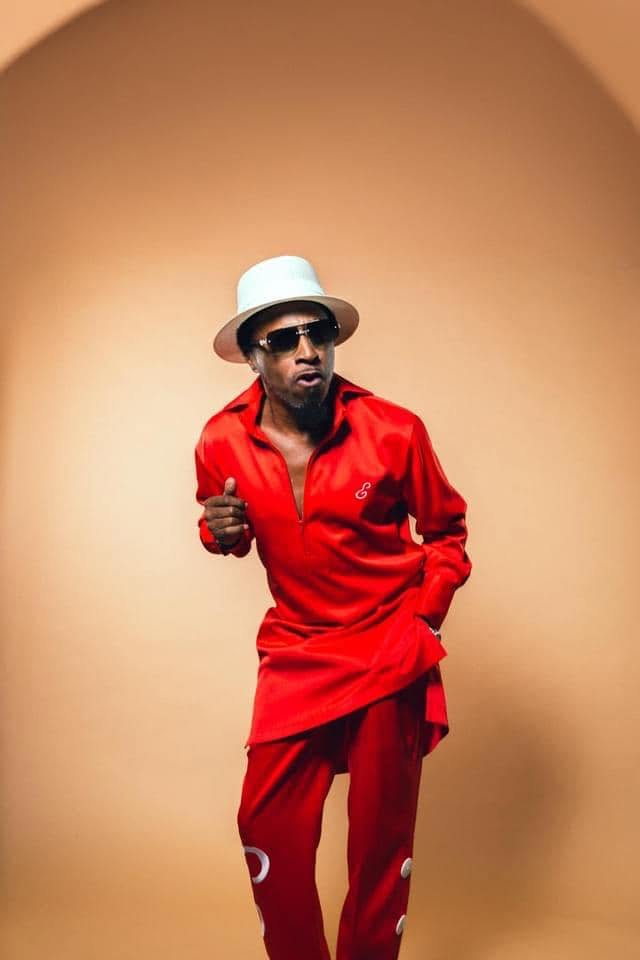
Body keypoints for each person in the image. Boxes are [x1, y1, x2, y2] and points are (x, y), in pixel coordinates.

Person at [194, 254, 472, 960]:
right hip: (297, 649)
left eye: (317, 333)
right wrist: (218, 531)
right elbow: (226, 530)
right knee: (267, 826)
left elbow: (447, 533)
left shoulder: (393, 430)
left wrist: (423, 616)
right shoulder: (220, 439)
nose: (307, 351)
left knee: (380, 841)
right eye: (283, 340)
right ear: (252, 356)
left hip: (388, 649)